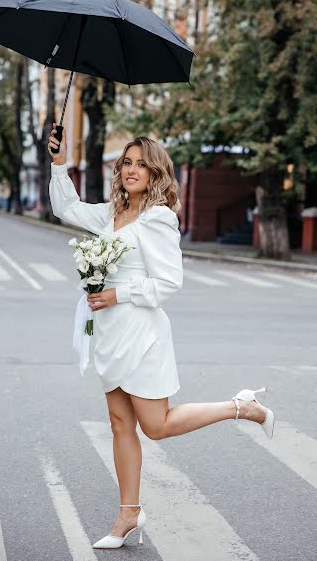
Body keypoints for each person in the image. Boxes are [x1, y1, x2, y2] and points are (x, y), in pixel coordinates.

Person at [47, 123, 275, 550]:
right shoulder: (112, 214)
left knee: (156, 425)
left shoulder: (157, 218)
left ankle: (240, 406)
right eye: (126, 163)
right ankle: (128, 515)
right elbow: (66, 207)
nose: (131, 170)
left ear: (156, 174)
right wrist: (60, 165)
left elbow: (169, 283)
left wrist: (118, 293)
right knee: (119, 424)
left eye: (141, 165)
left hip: (142, 333)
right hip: (110, 334)